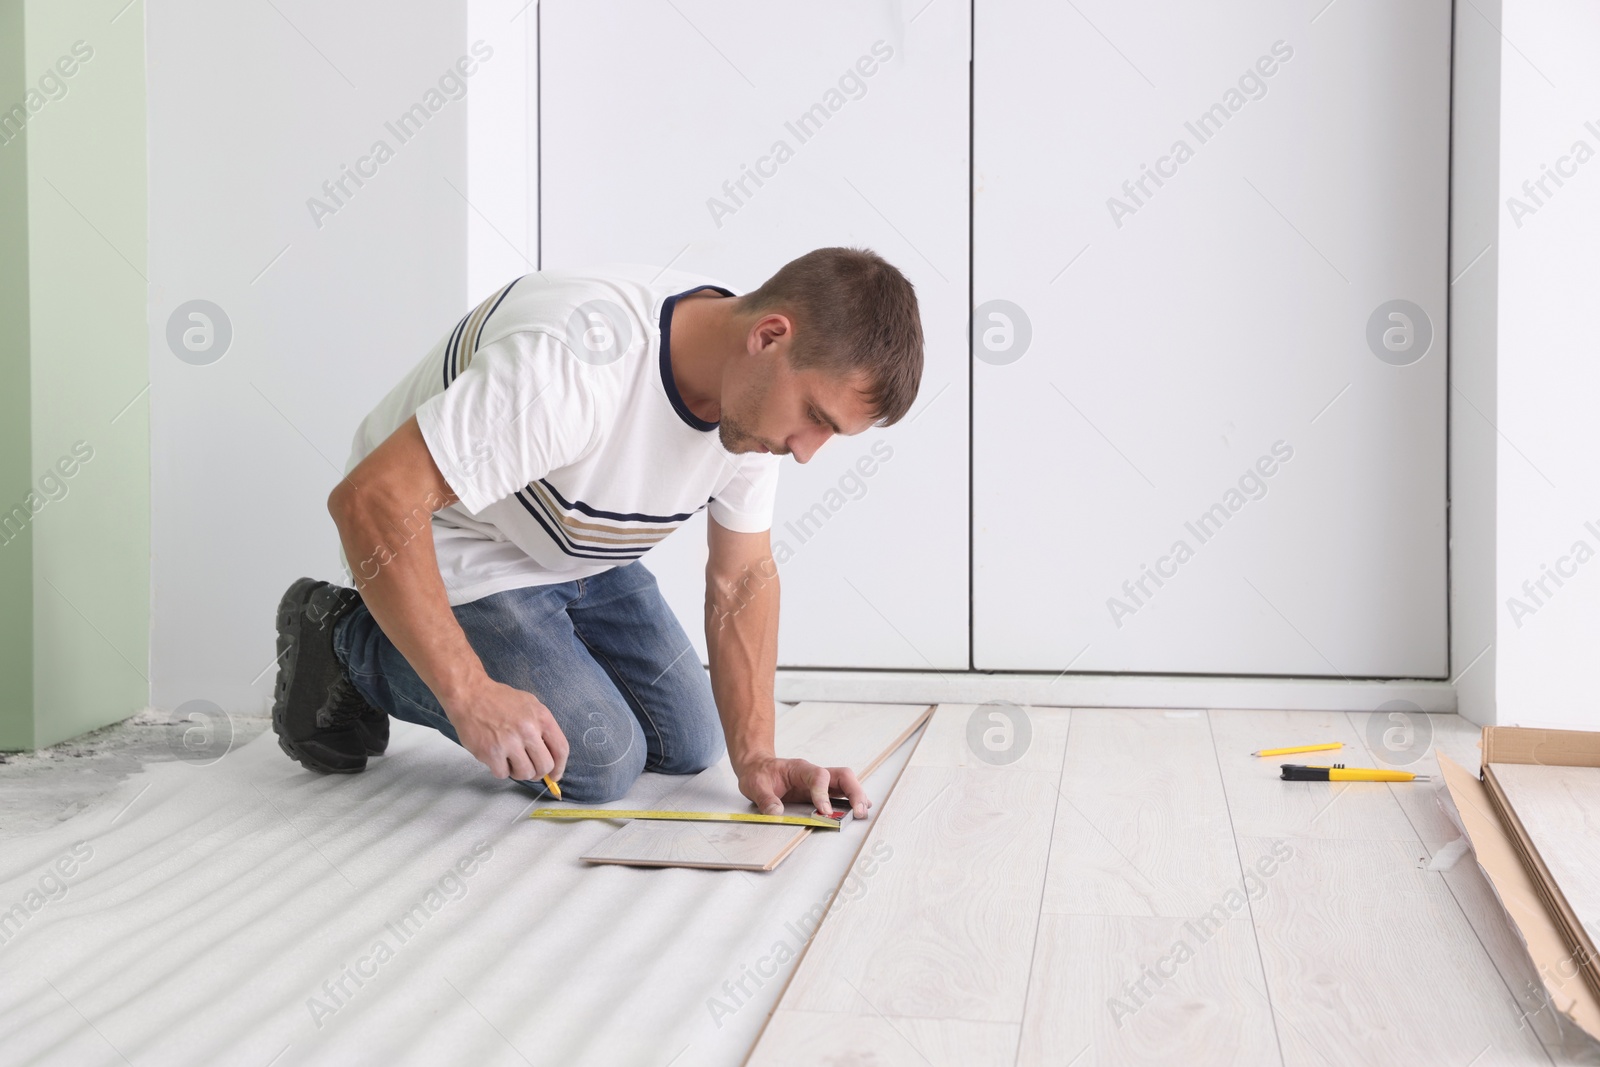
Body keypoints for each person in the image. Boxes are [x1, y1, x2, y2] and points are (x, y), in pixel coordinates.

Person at [270, 246, 923, 819]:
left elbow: (742, 575)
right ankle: (349, 643)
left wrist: (759, 758)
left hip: (572, 541)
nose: (807, 451)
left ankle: (508, 650)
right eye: (815, 418)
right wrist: (469, 692)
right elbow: (371, 500)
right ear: (769, 335)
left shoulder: (752, 400)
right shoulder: (573, 369)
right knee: (600, 758)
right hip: (455, 538)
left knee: (694, 741)